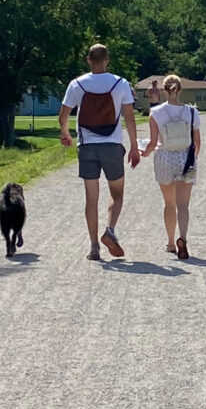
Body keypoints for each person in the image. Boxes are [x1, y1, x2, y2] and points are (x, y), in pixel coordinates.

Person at [58, 44, 141, 260]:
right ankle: (110, 231)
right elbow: (129, 116)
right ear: (107, 60)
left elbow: (63, 116)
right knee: (117, 193)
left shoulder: (77, 84)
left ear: (88, 60)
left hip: (87, 146)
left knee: (91, 199)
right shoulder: (120, 83)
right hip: (112, 145)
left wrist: (66, 134)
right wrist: (134, 146)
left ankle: (94, 246)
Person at [141, 74, 202, 259]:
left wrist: (145, 152)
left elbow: (153, 142)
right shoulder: (192, 112)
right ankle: (183, 238)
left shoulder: (156, 112)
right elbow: (197, 142)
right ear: (180, 89)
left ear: (164, 90)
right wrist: (192, 160)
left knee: (169, 204)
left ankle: (170, 242)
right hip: (185, 158)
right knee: (183, 205)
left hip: (165, 157)